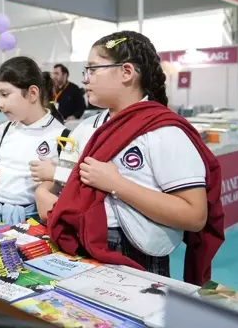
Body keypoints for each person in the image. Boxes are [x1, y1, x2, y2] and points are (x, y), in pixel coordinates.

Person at [43, 31, 223, 284]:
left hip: (136, 253)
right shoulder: (86, 128)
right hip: (83, 243)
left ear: (127, 72)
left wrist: (117, 185)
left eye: (93, 70)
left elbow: (195, 216)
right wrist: (46, 188)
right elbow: (64, 182)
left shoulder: (164, 132)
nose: (86, 80)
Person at [0, 57, 68, 225]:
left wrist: (55, 176)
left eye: (5, 95)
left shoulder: (62, 136)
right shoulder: (4, 129)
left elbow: (70, 184)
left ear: (32, 93)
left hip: (33, 222)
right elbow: (1, 171)